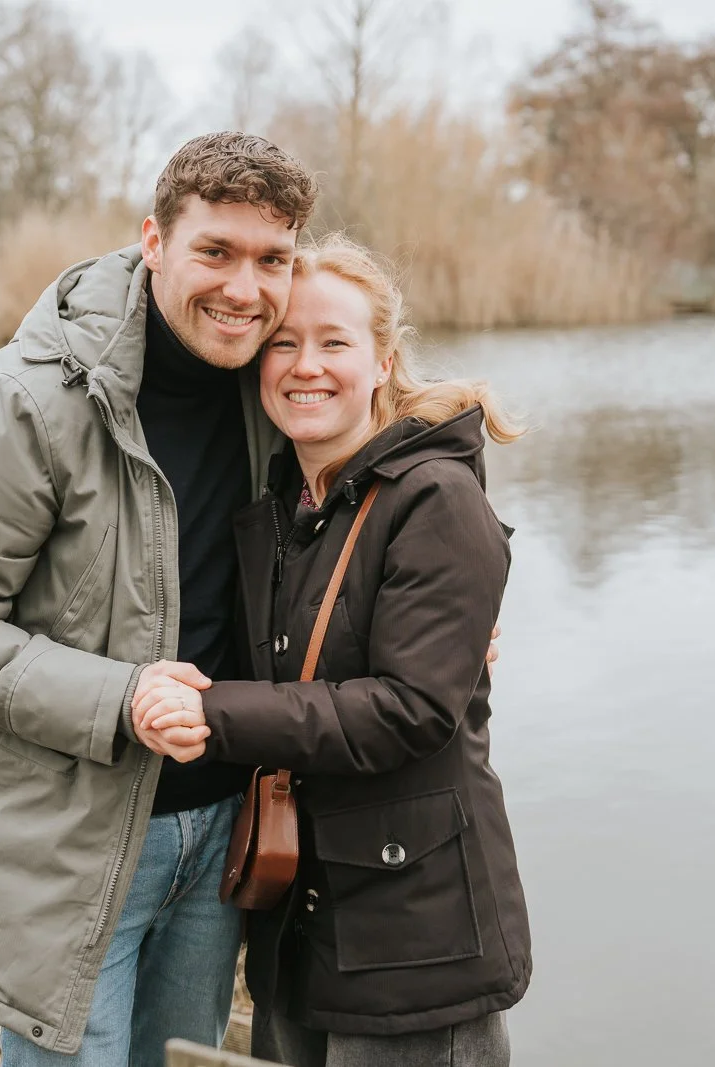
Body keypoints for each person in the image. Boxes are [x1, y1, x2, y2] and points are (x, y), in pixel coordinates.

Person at [0, 132, 318, 1066]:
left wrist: (444, 608)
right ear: (153, 241)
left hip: (221, 839)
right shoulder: (23, 403)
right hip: (67, 848)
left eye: (271, 260)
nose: (244, 289)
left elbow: (399, 443)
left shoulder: (277, 386)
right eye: (216, 252)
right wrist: (121, 698)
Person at [134, 236, 532, 1067]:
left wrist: (210, 710)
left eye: (334, 342)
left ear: (383, 361)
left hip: (415, 948)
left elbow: (408, 710)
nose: (304, 365)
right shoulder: (283, 503)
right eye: (284, 342)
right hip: (301, 934)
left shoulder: (435, 498)